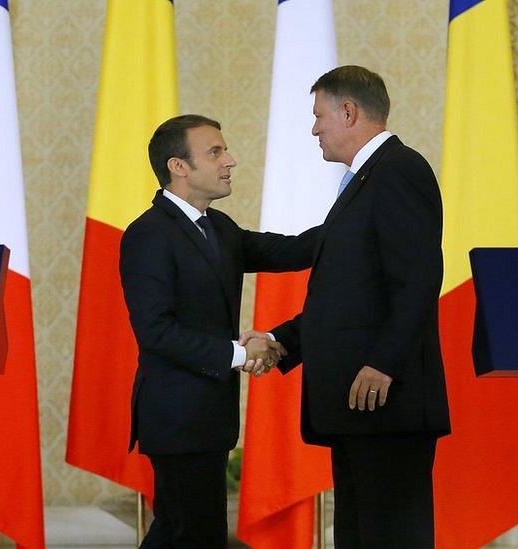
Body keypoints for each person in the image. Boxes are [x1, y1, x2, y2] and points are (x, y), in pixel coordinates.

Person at [243, 65, 451, 547]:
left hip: (388, 402)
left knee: (390, 534)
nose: (314, 128)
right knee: (360, 535)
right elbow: (346, 296)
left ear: (349, 111)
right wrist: (280, 340)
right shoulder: (365, 181)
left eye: (319, 116)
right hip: (362, 408)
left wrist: (383, 363)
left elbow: (418, 281)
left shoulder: (399, 170)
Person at [119, 114, 316, 548]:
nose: (231, 160)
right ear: (179, 166)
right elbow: (156, 332)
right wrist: (240, 354)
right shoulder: (148, 235)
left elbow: (293, 249)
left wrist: (356, 218)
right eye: (216, 152)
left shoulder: (220, 227)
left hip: (208, 418)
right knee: (186, 533)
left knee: (192, 534)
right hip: (175, 417)